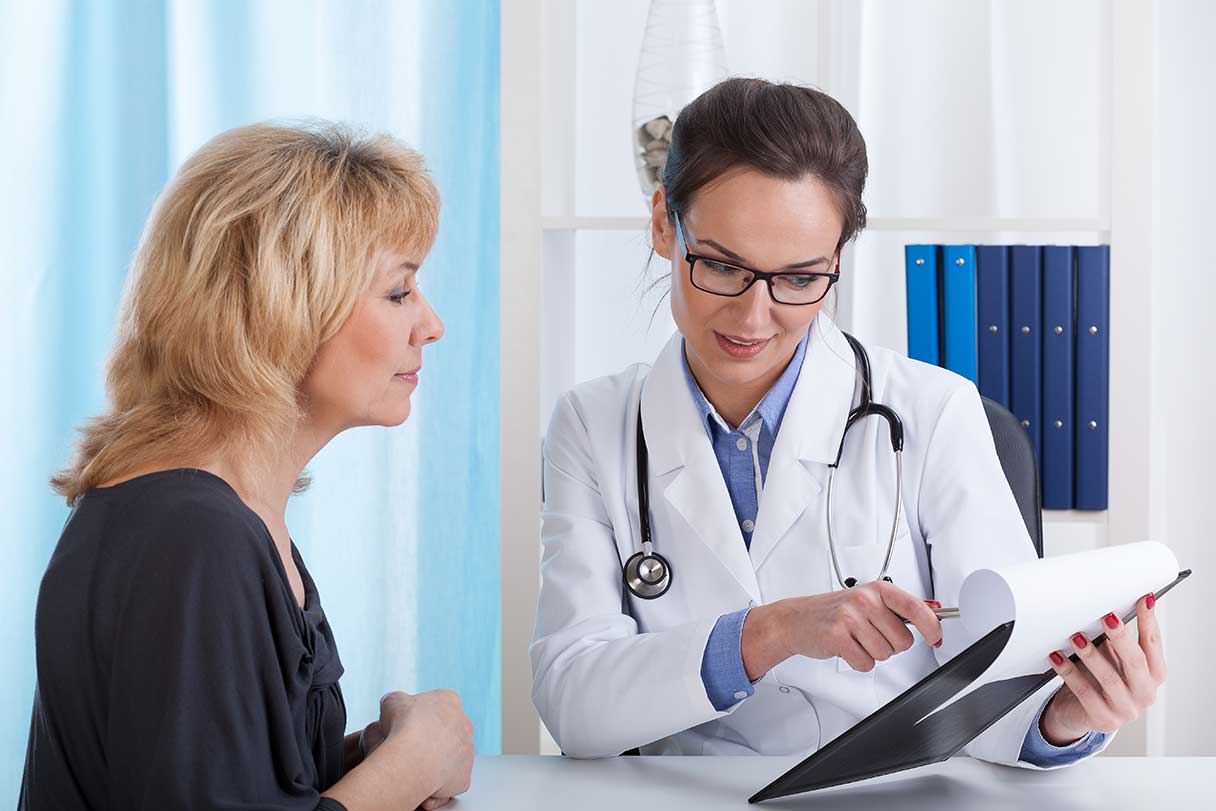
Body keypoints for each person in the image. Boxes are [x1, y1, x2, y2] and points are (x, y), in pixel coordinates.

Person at [530, 78, 1166, 764]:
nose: (753, 316)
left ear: (836, 260)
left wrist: (1067, 714)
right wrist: (767, 632)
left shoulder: (934, 412)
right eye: (720, 265)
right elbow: (575, 703)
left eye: (799, 279)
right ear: (664, 224)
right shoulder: (594, 426)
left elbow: (1004, 689)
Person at [21, 123, 473, 810]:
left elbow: (218, 776)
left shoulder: (223, 517)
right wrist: (412, 763)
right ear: (284, 309)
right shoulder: (192, 537)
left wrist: (367, 755)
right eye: (398, 291)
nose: (431, 323)